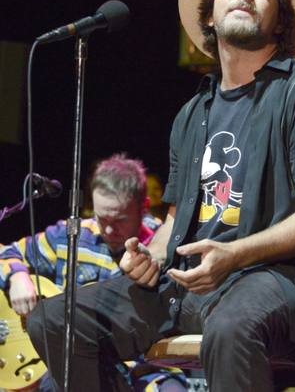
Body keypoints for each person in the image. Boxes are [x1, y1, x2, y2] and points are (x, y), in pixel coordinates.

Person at [27, 0, 295, 392]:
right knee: (55, 319)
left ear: (280, 21)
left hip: (277, 279)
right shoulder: (192, 112)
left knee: (230, 328)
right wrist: (150, 256)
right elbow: (175, 219)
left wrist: (236, 254)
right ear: (209, 17)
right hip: (186, 284)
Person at [0, 153, 186, 392]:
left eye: (120, 219)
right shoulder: (70, 236)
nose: (108, 229)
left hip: (145, 367)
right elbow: (8, 251)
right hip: (77, 363)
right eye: (101, 217)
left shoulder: (163, 246)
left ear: (144, 207)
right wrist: (17, 276)